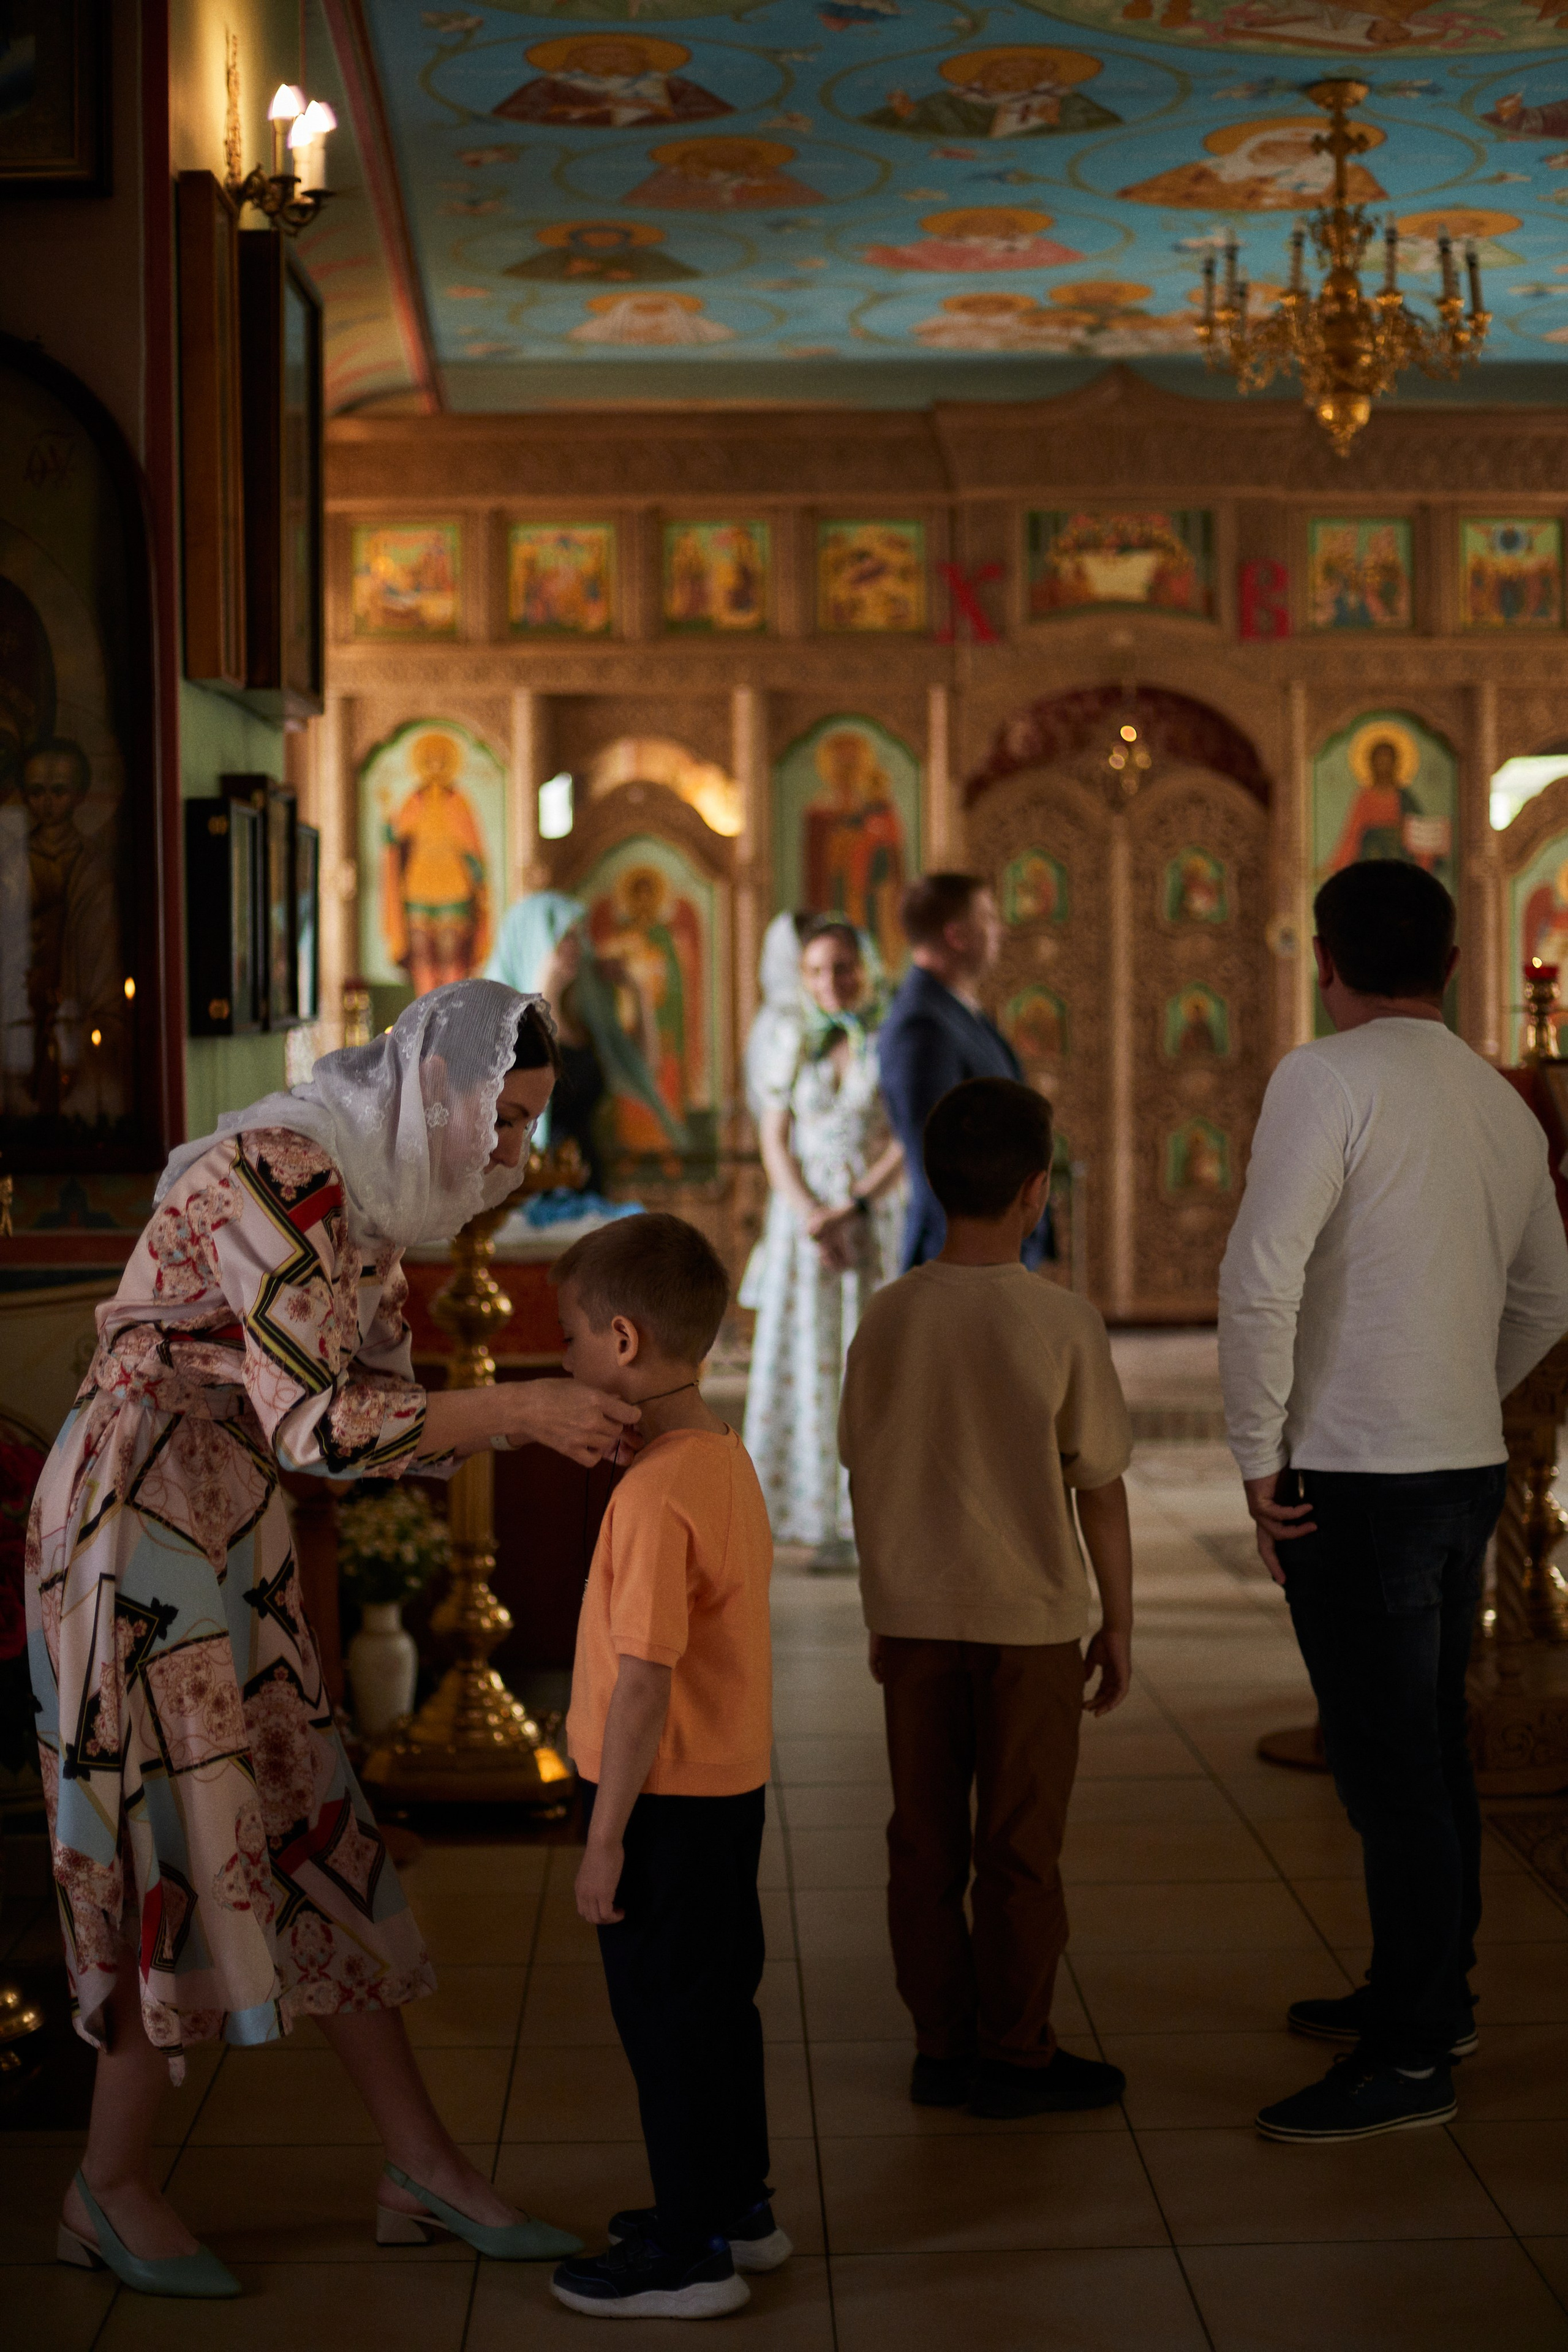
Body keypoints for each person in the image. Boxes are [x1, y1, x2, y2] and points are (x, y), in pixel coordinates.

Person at [26, 979, 644, 2296]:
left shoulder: (368, 1182)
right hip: (135, 1519)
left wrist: (536, 1408)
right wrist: (521, 1407)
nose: (514, 1158)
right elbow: (325, 1425)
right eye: (509, 1123)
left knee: (317, 1825)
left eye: (529, 1128)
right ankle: (111, 2183)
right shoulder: (285, 1170)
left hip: (222, 1509)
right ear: (441, 1092)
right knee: (171, 1838)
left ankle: (421, 2164)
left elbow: (363, 1407)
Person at [1218, 862, 1568, 2144]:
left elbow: (1259, 1280)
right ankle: (1430, 1993)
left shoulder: (1323, 1076)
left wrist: (1257, 1456)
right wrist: (1451, 1394)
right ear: (1455, 961)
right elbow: (1546, 1296)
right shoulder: (1497, 1097)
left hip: (1355, 1477)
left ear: (1325, 960)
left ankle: (1413, 2053)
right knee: (1422, 1744)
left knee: (1388, 1766)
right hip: (1455, 1464)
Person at [839, 1077, 1133, 2119]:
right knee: (1020, 1842)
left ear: (929, 1178)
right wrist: (1121, 1625)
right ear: (1038, 1191)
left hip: (915, 1622)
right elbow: (1099, 1487)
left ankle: (940, 2046)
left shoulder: (886, 1317)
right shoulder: (1061, 1320)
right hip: (1035, 1626)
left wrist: (882, 1607)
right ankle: (1015, 2051)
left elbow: (864, 1472)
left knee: (922, 1842)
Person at [550, 1213, 783, 2320]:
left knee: (667, 2026)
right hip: (725, 1790)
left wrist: (604, 1841)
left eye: (574, 1342)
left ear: (626, 1342)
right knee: (718, 2006)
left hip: (658, 1802)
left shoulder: (649, 1496)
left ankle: (691, 2256)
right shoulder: (720, 1461)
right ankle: (739, 2205)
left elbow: (643, 1681)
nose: (567, 1362)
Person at [741, 918, 904, 1567]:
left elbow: (904, 1136)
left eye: (842, 968)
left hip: (872, 1218)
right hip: (803, 1226)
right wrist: (811, 1213)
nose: (829, 983)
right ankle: (813, 1515)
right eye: (815, 971)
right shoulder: (789, 1040)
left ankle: (873, 1513)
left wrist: (853, 1207)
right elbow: (773, 1138)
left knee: (871, 1361)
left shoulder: (889, 1040)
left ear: (865, 969)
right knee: (808, 1362)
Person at [877, 872, 1051, 1270]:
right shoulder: (921, 1025)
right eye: (988, 918)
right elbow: (934, 1155)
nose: (1000, 931)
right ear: (957, 935)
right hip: (964, 1254)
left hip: (994, 1245)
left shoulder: (954, 1009)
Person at [486, 887, 687, 1182]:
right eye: (564, 936)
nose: (576, 946)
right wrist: (546, 988)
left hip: (587, 1174)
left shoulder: (583, 1017)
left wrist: (637, 991)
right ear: (534, 942)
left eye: (579, 935)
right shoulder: (497, 1023)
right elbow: (520, 1077)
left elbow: (644, 1066)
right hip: (528, 1181)